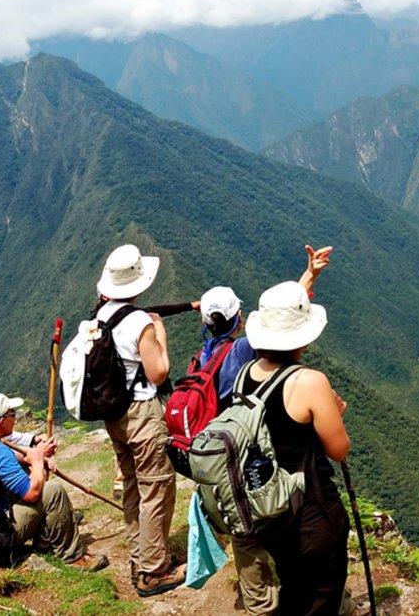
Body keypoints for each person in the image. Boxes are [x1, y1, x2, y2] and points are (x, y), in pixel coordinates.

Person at [153, 245, 331, 615]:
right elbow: (283, 327)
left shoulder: (202, 357)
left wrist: (309, 277)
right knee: (274, 525)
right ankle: (296, 594)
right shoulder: (242, 351)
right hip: (253, 457)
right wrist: (308, 278)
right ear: (238, 321)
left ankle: (258, 605)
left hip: (218, 462)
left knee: (244, 535)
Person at [243, 280, 351, 615]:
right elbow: (338, 450)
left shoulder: (245, 374)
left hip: (269, 512)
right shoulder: (309, 381)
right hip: (311, 513)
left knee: (293, 586)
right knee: (320, 596)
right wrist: (337, 414)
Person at [93, 243, 184, 596]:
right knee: (157, 487)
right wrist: (159, 333)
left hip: (113, 415)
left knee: (132, 484)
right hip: (142, 413)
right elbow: (159, 373)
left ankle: (140, 554)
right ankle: (153, 570)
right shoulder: (140, 322)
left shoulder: (98, 317)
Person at [0, 392, 108, 571]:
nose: (15, 419)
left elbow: (3, 460)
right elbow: (31, 494)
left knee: (25, 472)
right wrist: (38, 461)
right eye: (12, 415)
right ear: (1, 421)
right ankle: (73, 558)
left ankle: (44, 538)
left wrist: (29, 458)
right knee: (53, 491)